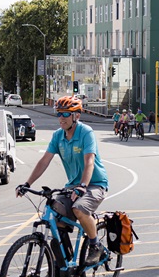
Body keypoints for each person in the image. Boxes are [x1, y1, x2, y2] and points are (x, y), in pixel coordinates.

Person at [17, 96, 109, 265]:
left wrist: (83, 186)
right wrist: (27, 184)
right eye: (59, 113)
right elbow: (44, 161)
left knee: (79, 208)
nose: (61, 118)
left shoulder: (86, 132)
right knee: (55, 217)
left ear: (76, 116)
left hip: (95, 184)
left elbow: (89, 162)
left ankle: (95, 246)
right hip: (73, 186)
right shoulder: (58, 136)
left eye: (66, 114)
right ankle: (62, 267)